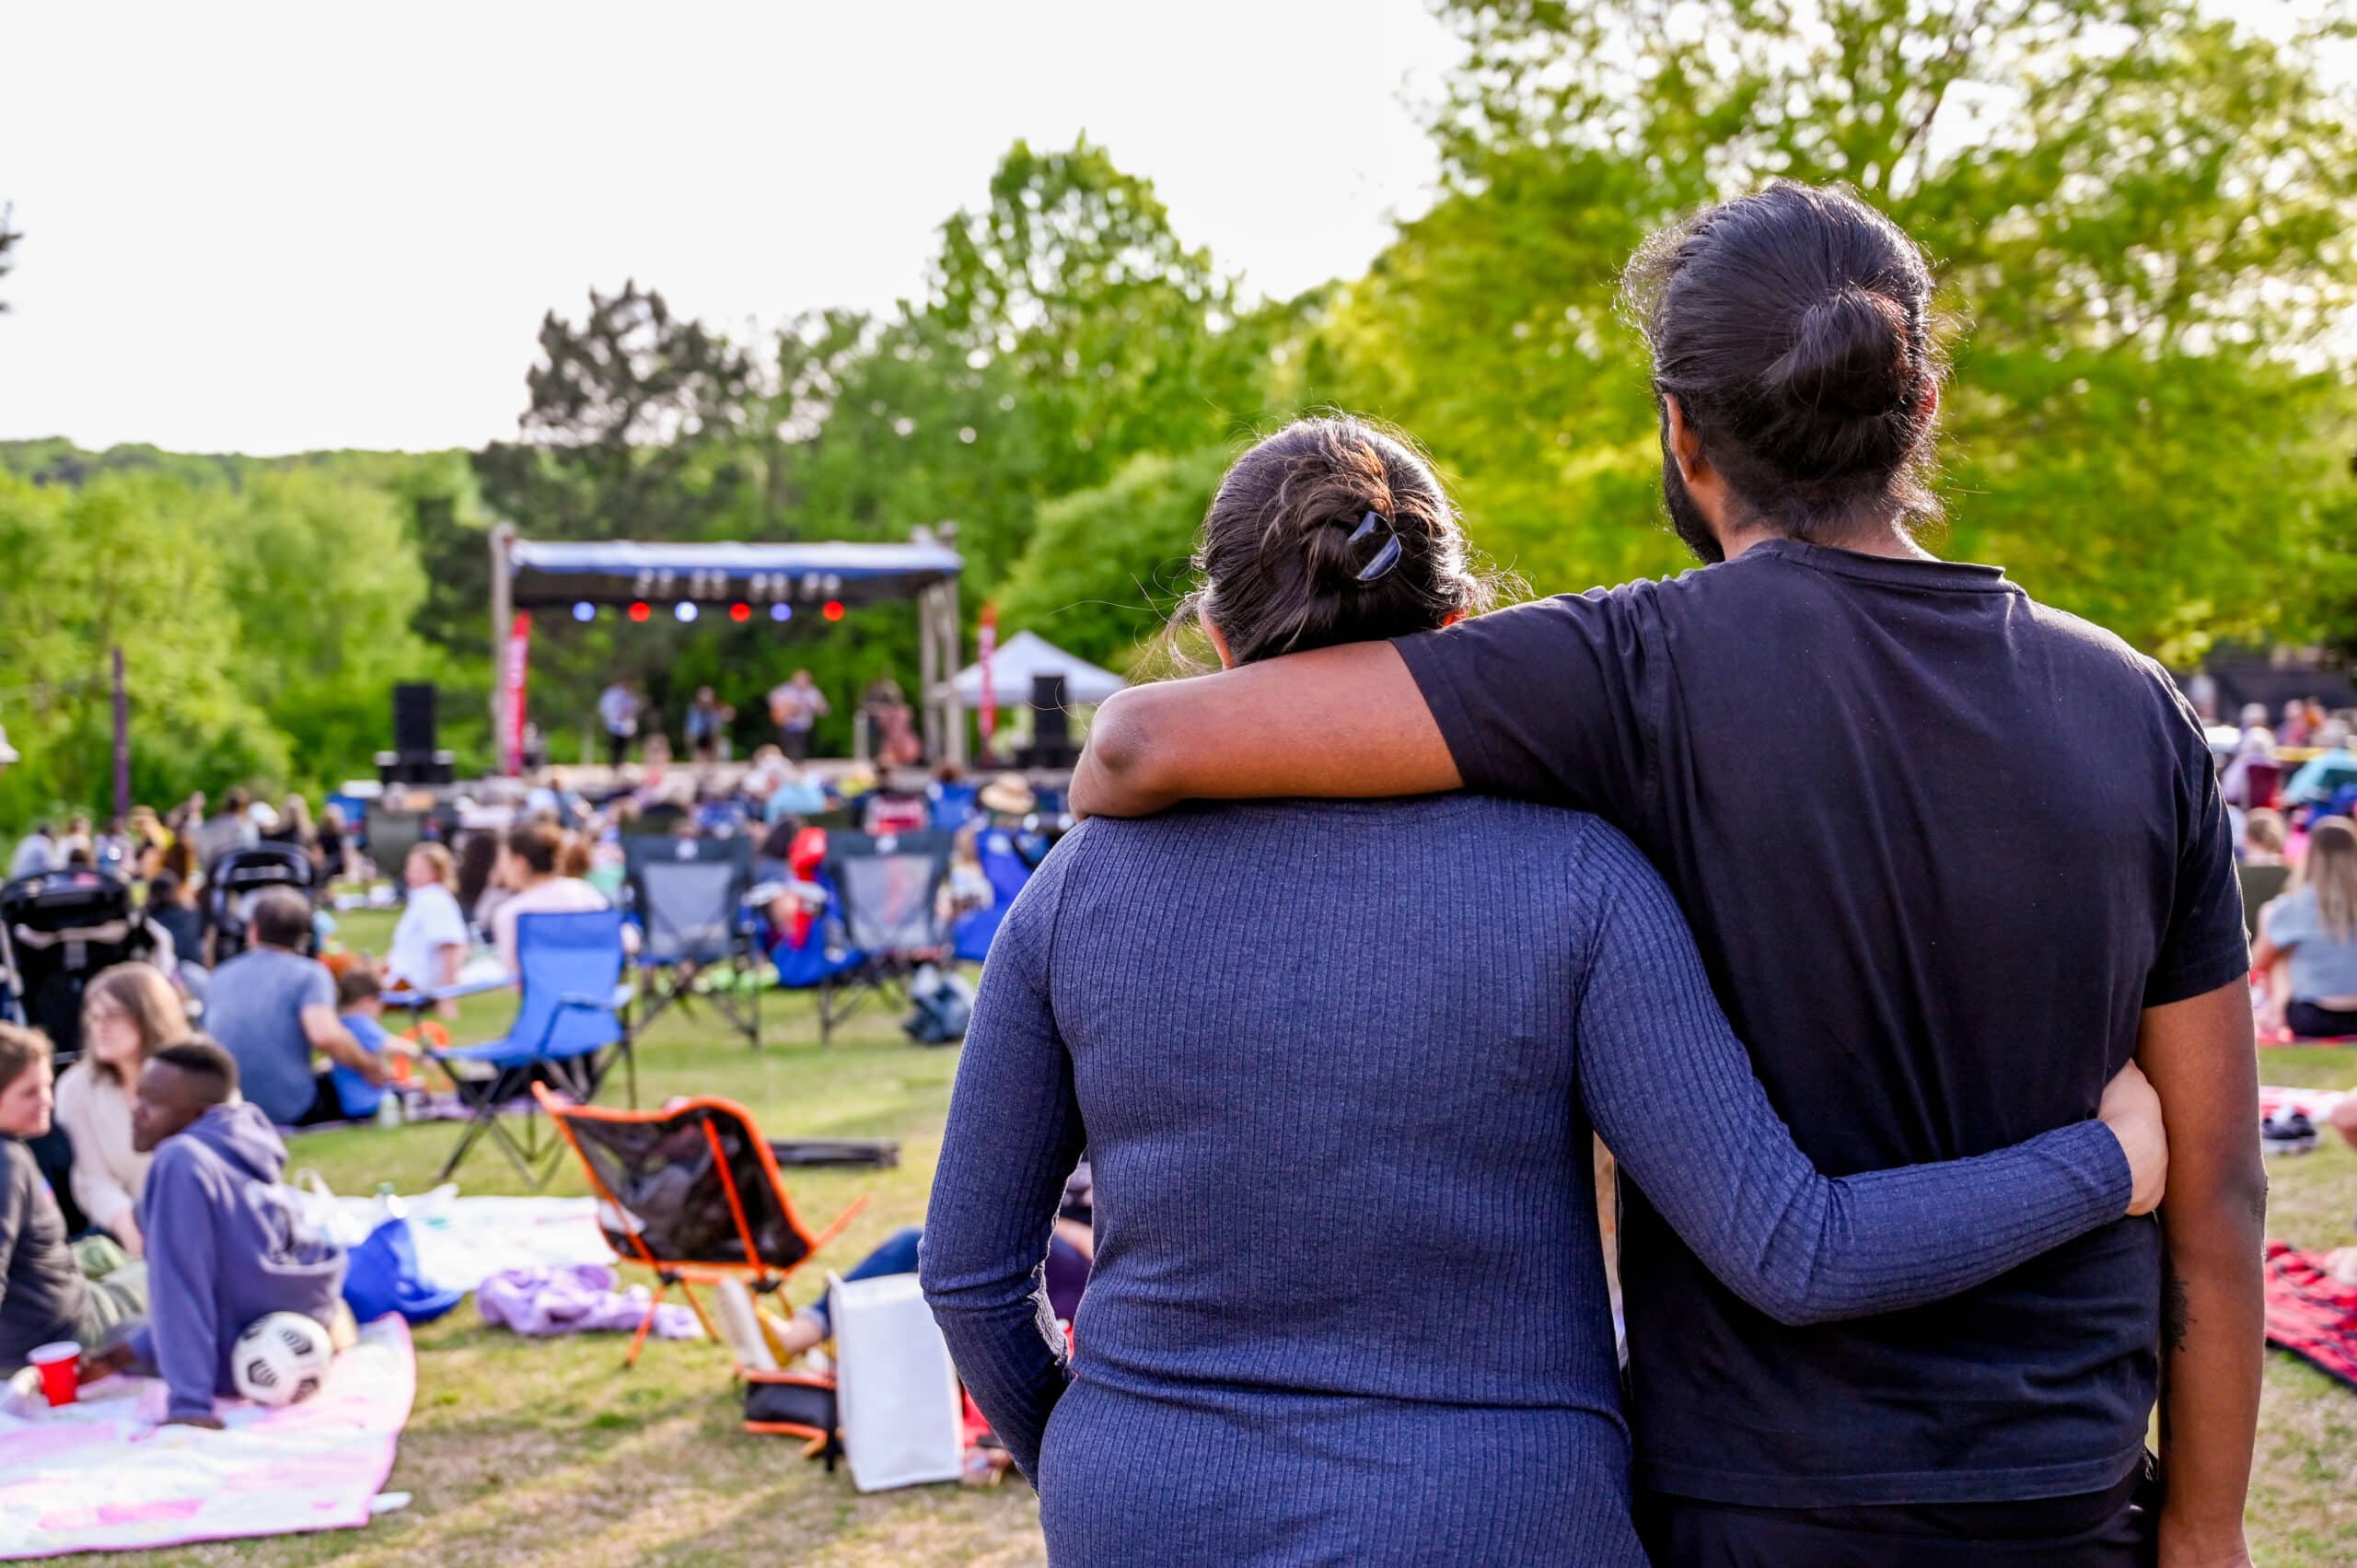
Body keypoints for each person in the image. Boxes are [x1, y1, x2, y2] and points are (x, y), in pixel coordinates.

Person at [1071, 186, 2262, 1566]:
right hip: (2067, 1484)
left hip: (1751, 1501)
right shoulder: (2134, 707)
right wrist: (2211, 1525)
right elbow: (2219, 1182)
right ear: (1921, 403)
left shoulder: (1631, 671)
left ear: (1681, 429)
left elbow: (1144, 740)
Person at [924, 415, 2173, 1567]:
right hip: (1502, 1512)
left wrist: (1102, 1456)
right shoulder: (1574, 877)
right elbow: (1794, 1245)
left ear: (1214, 638)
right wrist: (2102, 1162)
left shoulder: (1080, 883)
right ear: (1464, 631)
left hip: (1146, 1503)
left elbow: (970, 1277)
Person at [79, 1040, 348, 1428]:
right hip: (294, 1316)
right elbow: (231, 1270)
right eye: (138, 1098)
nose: (135, 1112)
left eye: (151, 1103)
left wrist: (189, 1405)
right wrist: (127, 1353)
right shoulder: (239, 1137)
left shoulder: (179, 1161)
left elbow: (181, 1285)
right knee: (129, 1337)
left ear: (198, 1113)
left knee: (120, 1320)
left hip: (237, 1349)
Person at [0, 1025, 147, 1375]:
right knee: (166, 1270)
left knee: (100, 1248)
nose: (47, 1102)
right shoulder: (6, 1162)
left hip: (34, 1305)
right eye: (29, 1092)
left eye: (47, 1086)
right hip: (55, 1334)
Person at [203, 889, 384, 1126]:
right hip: (289, 1108)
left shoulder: (220, 976)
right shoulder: (309, 975)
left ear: (253, 930)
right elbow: (326, 1036)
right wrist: (369, 1067)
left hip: (227, 1107)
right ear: (304, 936)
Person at [54, 965, 191, 1258]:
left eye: (113, 1016)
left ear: (150, 1016)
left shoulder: (197, 1072)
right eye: (95, 1016)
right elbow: (93, 1180)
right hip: (123, 1231)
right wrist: (129, 1227)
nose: (100, 1027)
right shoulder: (76, 1089)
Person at [2254, 818, 2357, 1040]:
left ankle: (2274, 1015)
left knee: (2280, 955)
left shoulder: (2292, 906)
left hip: (2313, 1017)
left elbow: (2257, 962)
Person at [489, 821, 615, 976]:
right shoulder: (584, 891)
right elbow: (619, 942)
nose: (501, 868)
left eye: (503, 860)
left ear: (520, 863)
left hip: (544, 997)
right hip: (595, 990)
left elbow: (516, 978)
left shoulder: (510, 913)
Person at [385, 842, 470, 1008]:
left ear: (436, 871)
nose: (411, 873)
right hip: (408, 980)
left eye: (418, 869)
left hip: (413, 986)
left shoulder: (433, 899)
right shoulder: (423, 898)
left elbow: (449, 947)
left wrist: (447, 999)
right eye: (410, 867)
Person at [330, 970, 412, 1121]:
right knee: (413, 1095)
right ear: (367, 1002)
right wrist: (423, 1053)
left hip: (350, 1105)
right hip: (373, 1102)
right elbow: (394, 1045)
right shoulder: (360, 1023)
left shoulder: (339, 1023)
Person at [191, 788, 259, 873]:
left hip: (221, 872)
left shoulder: (219, 824)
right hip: (246, 870)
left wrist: (195, 812)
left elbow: (201, 839)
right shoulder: (249, 825)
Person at [769, 669, 830, 761]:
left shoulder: (813, 692)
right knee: (787, 748)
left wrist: (816, 707)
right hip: (787, 725)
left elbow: (824, 710)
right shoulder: (785, 690)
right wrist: (787, 708)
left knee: (800, 751)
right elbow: (773, 701)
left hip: (803, 727)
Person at [684, 686, 734, 764]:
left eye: (708, 701)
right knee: (690, 736)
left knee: (717, 732)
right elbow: (692, 732)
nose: (706, 704)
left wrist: (724, 715)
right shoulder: (695, 712)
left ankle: (714, 759)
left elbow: (730, 714)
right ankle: (697, 759)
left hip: (715, 741)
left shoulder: (716, 708)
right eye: (703, 702)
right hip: (702, 740)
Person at [597, 680, 640, 769]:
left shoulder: (628, 695)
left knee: (624, 748)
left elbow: (633, 708)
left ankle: (621, 764)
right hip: (615, 726)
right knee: (615, 749)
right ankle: (614, 766)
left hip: (626, 727)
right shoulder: (612, 695)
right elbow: (606, 709)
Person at [314, 803, 350, 883]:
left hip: (340, 871)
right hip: (327, 871)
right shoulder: (320, 836)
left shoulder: (342, 836)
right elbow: (318, 859)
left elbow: (348, 857)